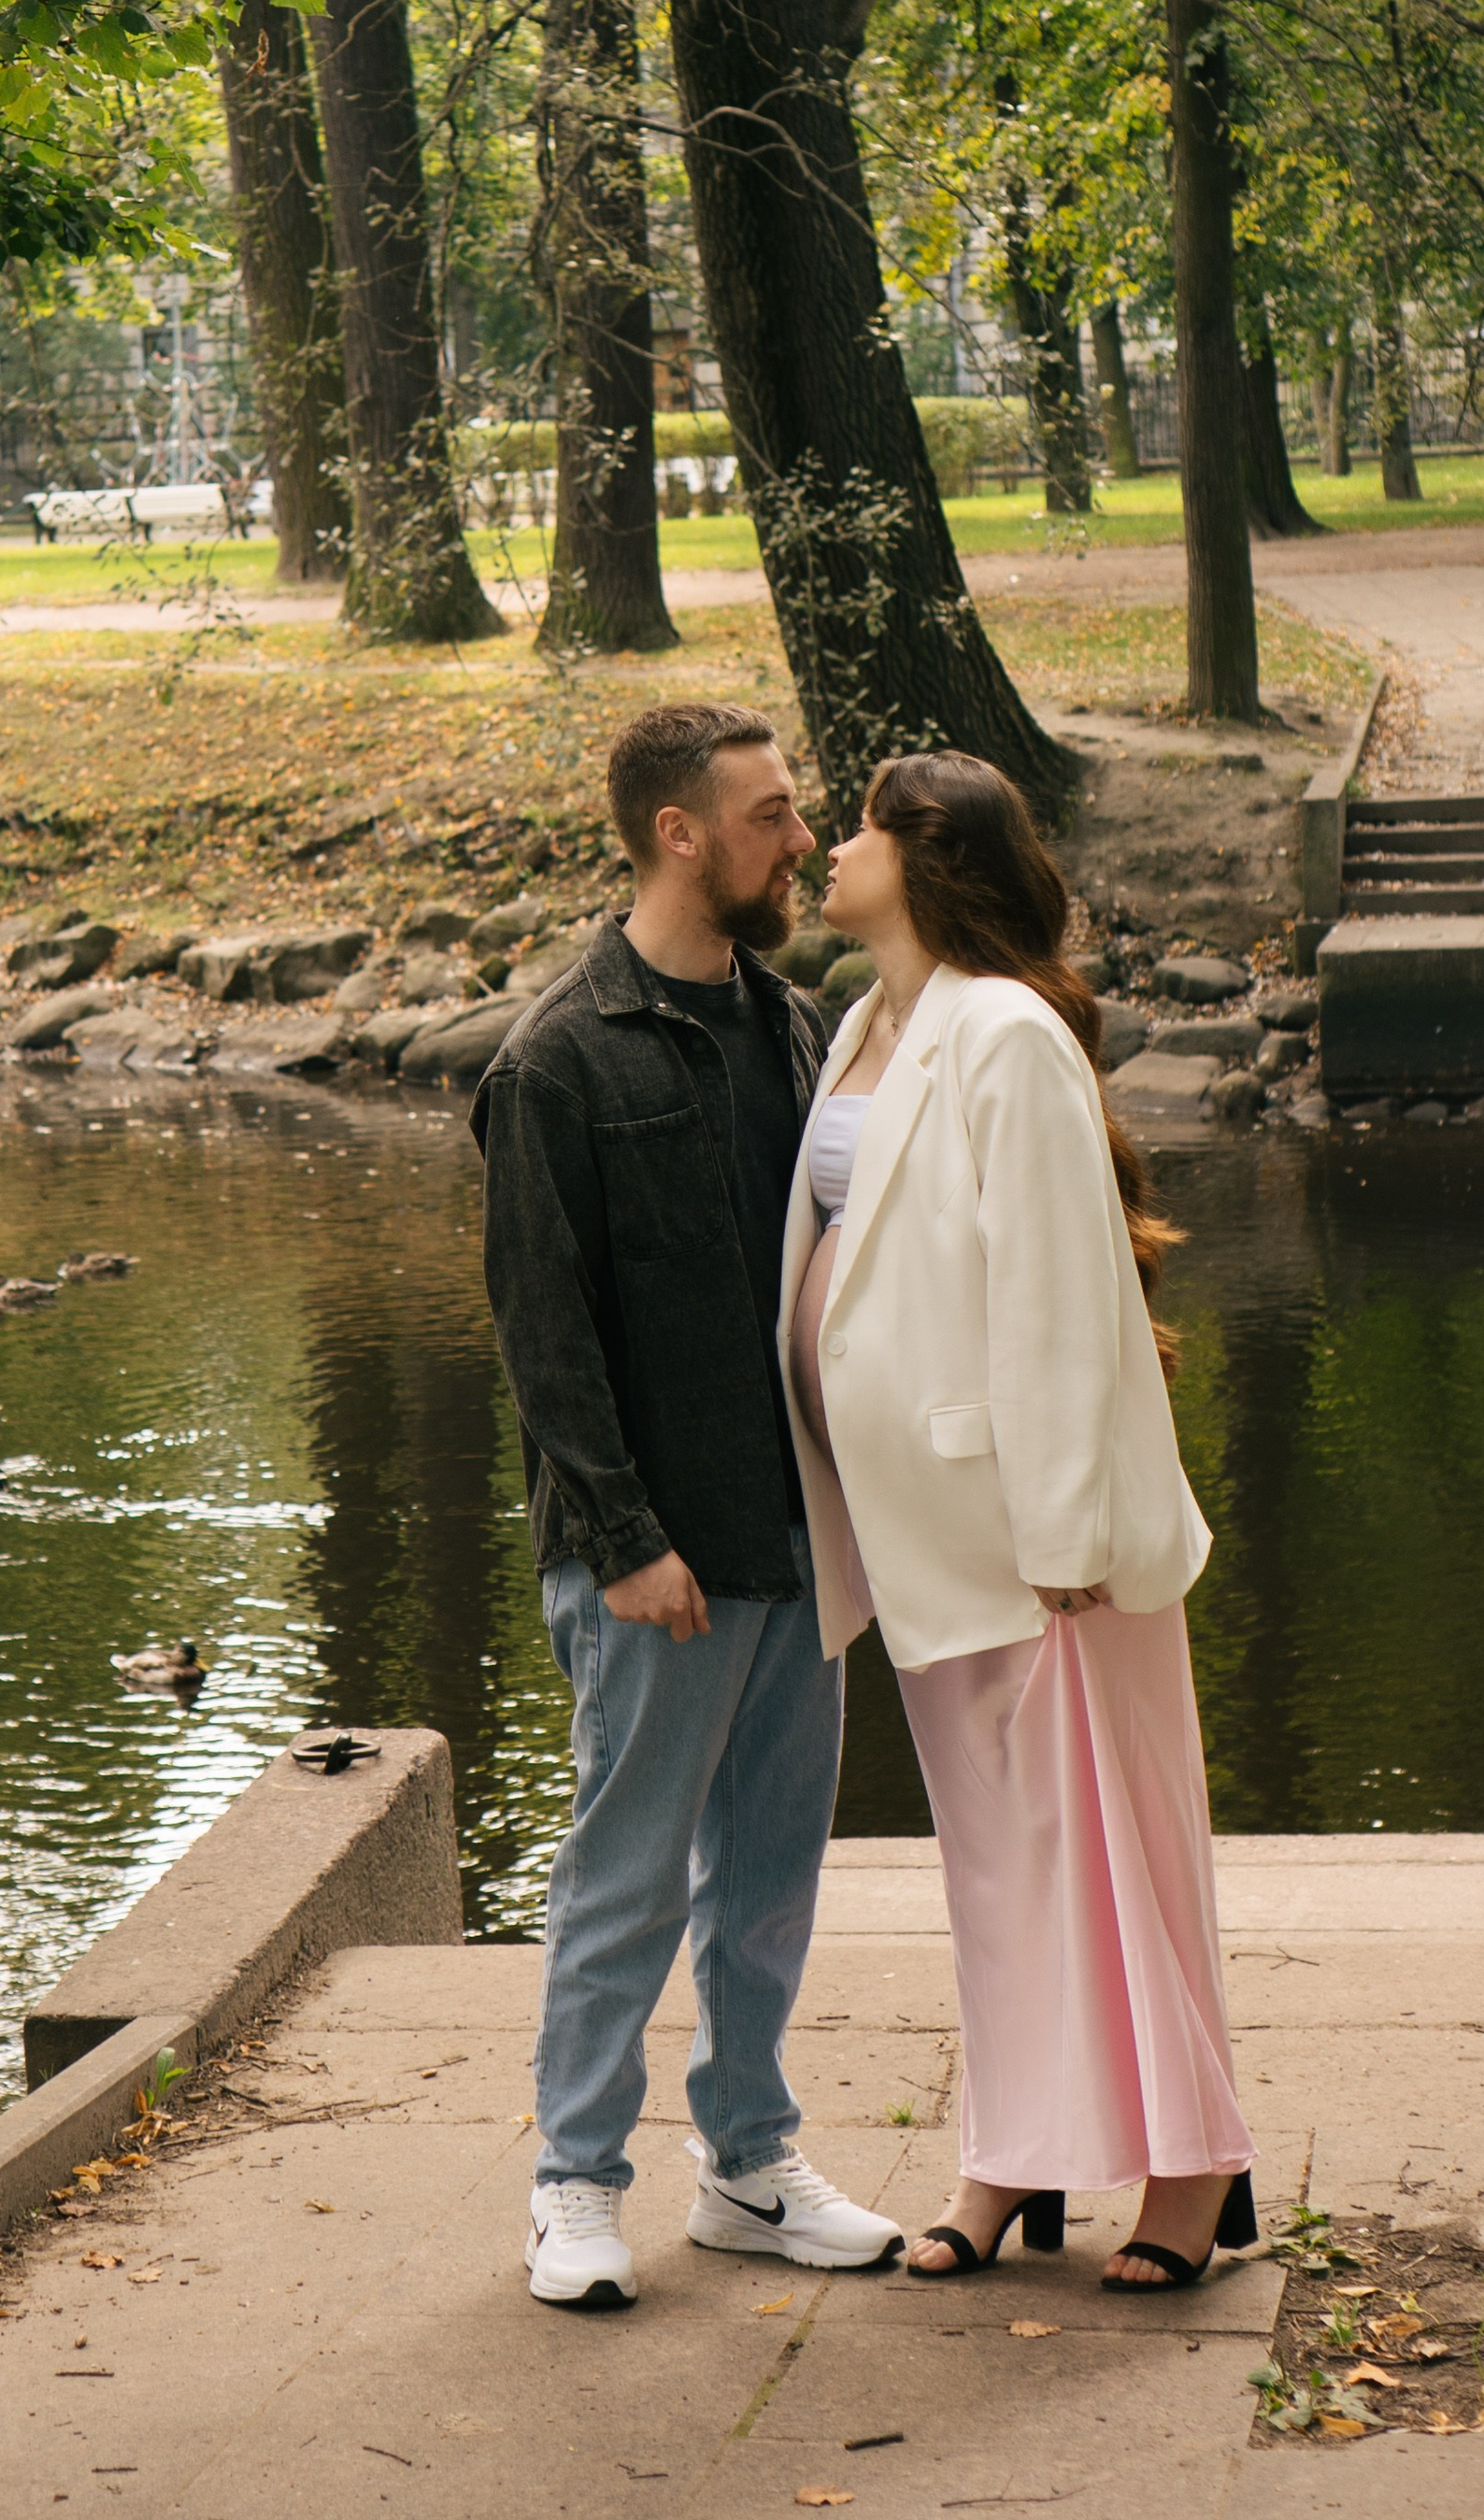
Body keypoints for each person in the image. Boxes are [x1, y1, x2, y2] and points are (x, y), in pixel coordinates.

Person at [779, 749, 1254, 2294]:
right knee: (995, 1868)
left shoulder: (1005, 1034)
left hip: (1037, 1539)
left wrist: (1063, 1531)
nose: (829, 851)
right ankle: (1014, 2157)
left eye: (854, 825)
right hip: (920, 1526)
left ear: (925, 857)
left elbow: (1062, 1292)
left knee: (1113, 1851)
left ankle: (1193, 2171)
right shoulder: (870, 1021)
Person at [472, 702, 906, 2314]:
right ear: (680, 833)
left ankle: (747, 2164)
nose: (802, 842)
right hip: (656, 1558)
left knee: (772, 1873)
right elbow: (544, 1333)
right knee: (628, 1875)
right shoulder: (558, 1058)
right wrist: (626, 1541)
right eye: (774, 816)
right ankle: (575, 2184)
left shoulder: (795, 1028)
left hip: (804, 1534)